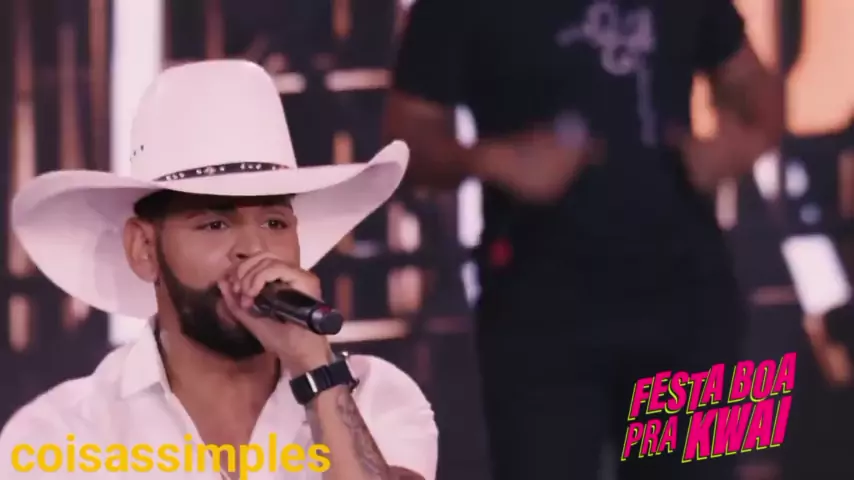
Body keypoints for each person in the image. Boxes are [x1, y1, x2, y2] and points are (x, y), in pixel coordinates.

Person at [384, 0, 782, 479]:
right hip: (538, 312)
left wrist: (731, 149)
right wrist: (494, 159)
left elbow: (757, 90)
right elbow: (406, 136)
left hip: (690, 300)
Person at [0, 60, 437, 480]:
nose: (254, 249)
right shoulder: (62, 435)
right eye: (214, 224)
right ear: (144, 249)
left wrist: (316, 371)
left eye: (274, 223)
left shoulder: (374, 396)